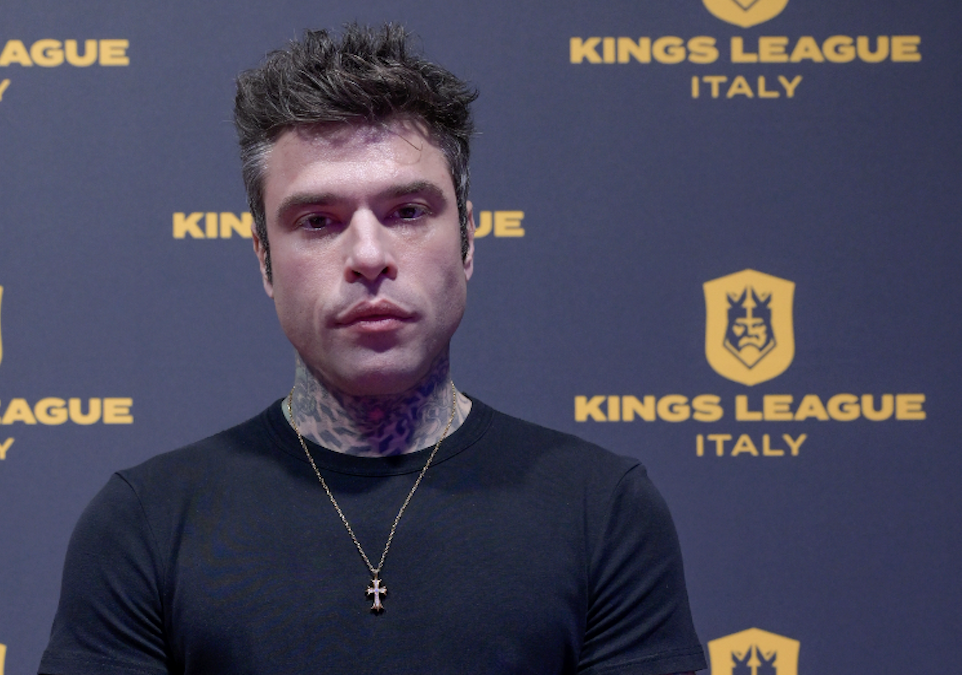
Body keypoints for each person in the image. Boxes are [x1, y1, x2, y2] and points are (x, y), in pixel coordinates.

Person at [39, 24, 706, 675]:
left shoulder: (602, 510)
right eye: (318, 221)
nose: (367, 255)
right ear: (264, 259)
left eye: (408, 212)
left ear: (468, 241)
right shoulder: (144, 524)